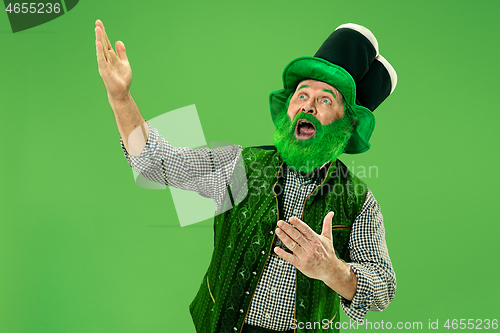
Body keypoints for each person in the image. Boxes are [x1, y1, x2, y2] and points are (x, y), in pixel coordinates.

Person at [95, 19, 397, 333]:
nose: (308, 107)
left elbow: (383, 288)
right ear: (287, 111)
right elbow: (157, 164)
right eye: (301, 95)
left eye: (325, 100)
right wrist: (121, 98)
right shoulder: (241, 166)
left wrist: (332, 270)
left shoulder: (358, 200)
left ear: (346, 126)